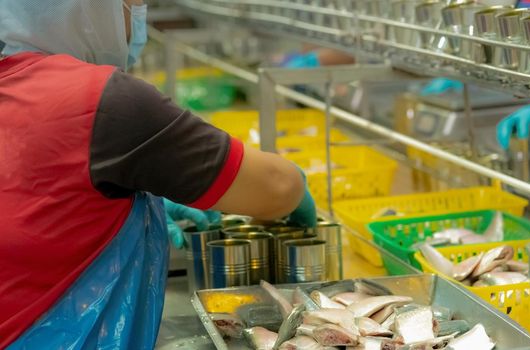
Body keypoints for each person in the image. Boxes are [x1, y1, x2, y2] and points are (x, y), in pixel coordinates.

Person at [0, 0, 317, 348]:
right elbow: (275, 187)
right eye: (129, 3)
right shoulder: (105, 99)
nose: (137, 17)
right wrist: (296, 189)